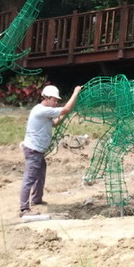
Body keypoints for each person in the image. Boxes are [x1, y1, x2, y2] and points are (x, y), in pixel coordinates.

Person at [19, 84, 82, 216]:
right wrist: (75, 93)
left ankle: (37, 199)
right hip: (33, 150)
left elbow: (55, 123)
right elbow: (66, 109)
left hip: (38, 151)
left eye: (57, 101)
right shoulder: (42, 110)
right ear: (46, 98)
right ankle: (24, 209)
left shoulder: (44, 111)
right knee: (30, 178)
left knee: (40, 174)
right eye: (54, 100)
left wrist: (66, 114)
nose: (56, 103)